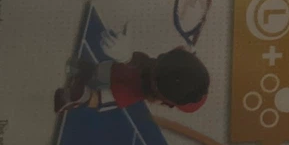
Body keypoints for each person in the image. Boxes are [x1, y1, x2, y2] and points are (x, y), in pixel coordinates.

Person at [54, 47, 208, 115]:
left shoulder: (163, 60)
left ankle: (83, 80)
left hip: (120, 74)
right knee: (102, 97)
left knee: (101, 79)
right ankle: (81, 93)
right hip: (124, 87)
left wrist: (126, 57)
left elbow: (136, 61)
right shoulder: (148, 90)